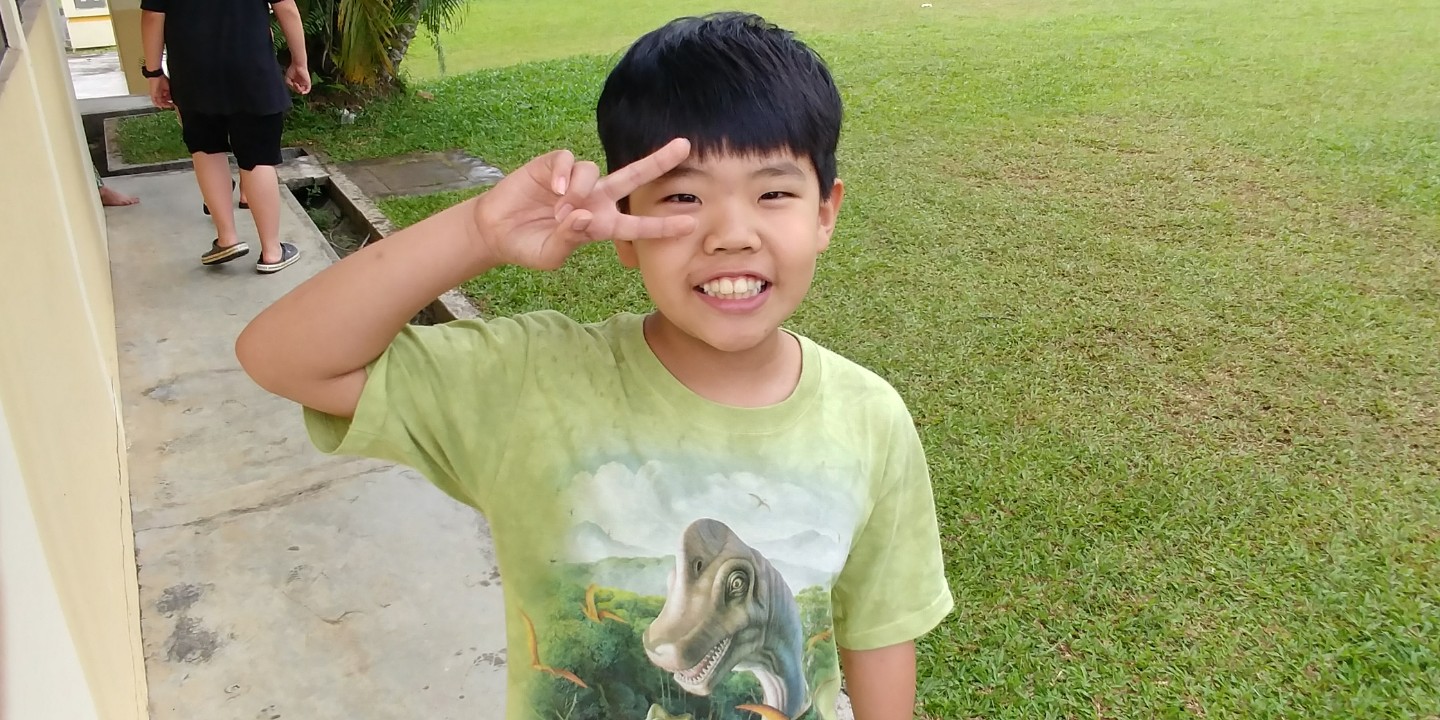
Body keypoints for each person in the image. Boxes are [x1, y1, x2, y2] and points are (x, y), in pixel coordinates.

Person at [237, 13, 951, 720]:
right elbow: (283, 357)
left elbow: (879, 631)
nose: (731, 235)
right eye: (683, 196)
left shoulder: (870, 418)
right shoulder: (532, 382)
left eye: (773, 193)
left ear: (825, 213)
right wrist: (480, 231)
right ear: (624, 227)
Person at [140, 0, 310, 273]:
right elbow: (287, 8)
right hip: (252, 68)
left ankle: (227, 238)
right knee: (258, 157)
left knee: (206, 149)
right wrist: (299, 63)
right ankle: (272, 252)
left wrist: (154, 73)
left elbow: (152, 16)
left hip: (193, 73)